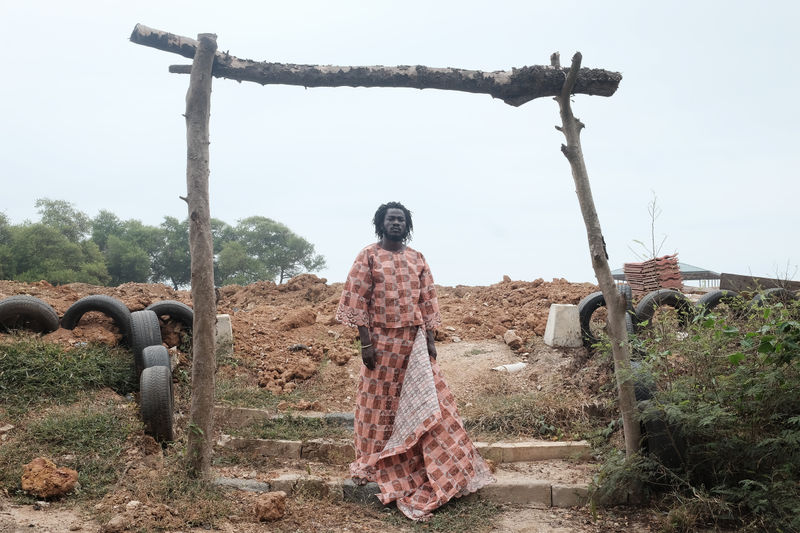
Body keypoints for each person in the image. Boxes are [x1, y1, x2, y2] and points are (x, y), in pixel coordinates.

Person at [336, 201, 494, 521]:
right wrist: (366, 343)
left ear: (407, 225)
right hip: (381, 343)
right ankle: (375, 460)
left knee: (426, 402)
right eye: (390, 219)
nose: (396, 223)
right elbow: (357, 299)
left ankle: (422, 463)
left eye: (401, 220)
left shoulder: (417, 258)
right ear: (380, 223)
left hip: (413, 343)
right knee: (377, 405)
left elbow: (427, 300)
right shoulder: (368, 256)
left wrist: (431, 340)